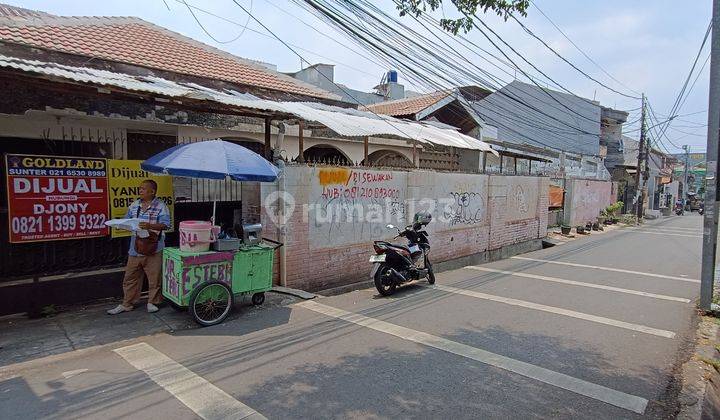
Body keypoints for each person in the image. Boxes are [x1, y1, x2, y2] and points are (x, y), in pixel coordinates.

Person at [107, 180, 171, 315]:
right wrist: (121, 224)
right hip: (135, 246)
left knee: (154, 277)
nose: (140, 191)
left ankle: (152, 302)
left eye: (143, 189)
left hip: (154, 246)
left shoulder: (161, 206)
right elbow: (127, 219)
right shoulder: (134, 205)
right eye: (140, 189)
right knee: (130, 276)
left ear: (152, 192)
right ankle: (127, 303)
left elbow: (166, 225)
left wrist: (150, 226)